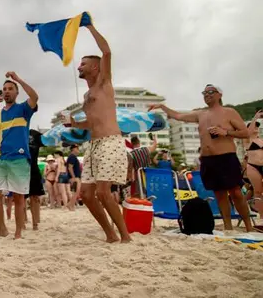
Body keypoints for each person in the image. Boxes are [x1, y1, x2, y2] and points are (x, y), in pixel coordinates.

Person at [149, 84, 253, 232]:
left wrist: (225, 132)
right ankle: (228, 227)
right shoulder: (201, 114)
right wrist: (162, 107)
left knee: (235, 192)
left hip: (226, 157)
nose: (207, 94)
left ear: (219, 95)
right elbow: (178, 116)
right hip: (208, 159)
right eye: (204, 92)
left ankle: (249, 226)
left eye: (211, 91)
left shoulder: (229, 112)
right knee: (219, 193)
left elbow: (245, 133)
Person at [68, 25, 131, 243]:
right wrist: (76, 123)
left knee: (103, 192)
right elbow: (92, 122)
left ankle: (125, 236)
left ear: (96, 68)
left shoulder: (104, 84)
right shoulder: (87, 95)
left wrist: (89, 27)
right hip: (93, 144)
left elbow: (107, 52)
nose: (79, 66)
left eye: (83, 63)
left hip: (111, 142)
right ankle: (110, 235)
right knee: (86, 194)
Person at [0, 72, 38, 239]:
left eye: (10, 89)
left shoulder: (24, 109)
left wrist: (18, 79)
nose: (7, 91)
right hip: (0, 158)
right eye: (4, 89)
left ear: (16, 93)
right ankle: (2, 229)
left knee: (19, 196)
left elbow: (34, 96)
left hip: (19, 158)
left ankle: (18, 232)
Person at [27, 129, 46, 229]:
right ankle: (23, 222)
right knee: (20, 197)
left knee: (34, 197)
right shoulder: (16, 131)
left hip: (33, 168)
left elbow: (47, 141)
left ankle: (35, 223)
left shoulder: (35, 134)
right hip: (19, 167)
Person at [245, 110, 263, 217]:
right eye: (254, 127)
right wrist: (255, 117)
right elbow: (249, 131)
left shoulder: (260, 140)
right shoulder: (247, 140)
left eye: (257, 127)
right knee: (258, 192)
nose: (255, 128)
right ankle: (261, 215)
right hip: (253, 166)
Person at [65, 145, 83, 209]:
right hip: (75, 177)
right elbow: (70, 168)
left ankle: (70, 204)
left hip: (75, 176)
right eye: (77, 149)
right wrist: (73, 177)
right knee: (76, 191)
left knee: (76, 192)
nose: (78, 150)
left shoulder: (72, 157)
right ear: (74, 149)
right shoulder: (72, 156)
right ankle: (70, 205)